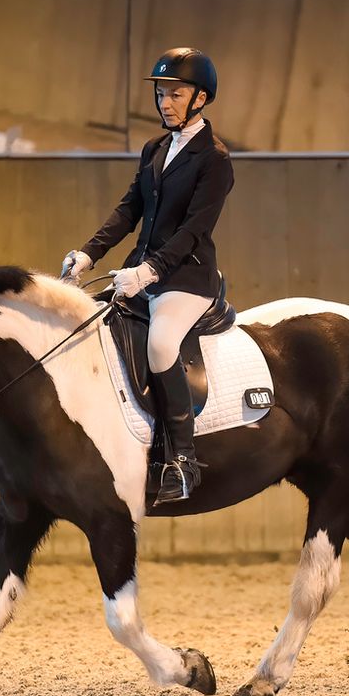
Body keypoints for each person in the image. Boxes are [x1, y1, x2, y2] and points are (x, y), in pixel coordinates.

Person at [62, 47, 234, 504]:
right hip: (141, 271)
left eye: (175, 94)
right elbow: (130, 210)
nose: (165, 102)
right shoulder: (155, 149)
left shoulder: (214, 159)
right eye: (161, 93)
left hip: (186, 278)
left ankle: (182, 459)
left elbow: (196, 229)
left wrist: (150, 271)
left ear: (200, 98)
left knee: (160, 345)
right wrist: (89, 253)